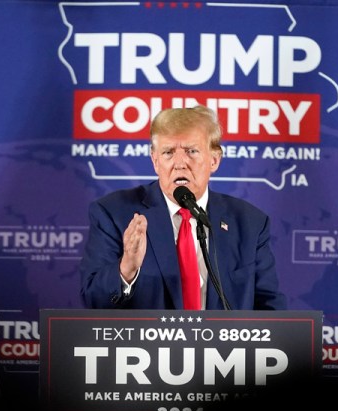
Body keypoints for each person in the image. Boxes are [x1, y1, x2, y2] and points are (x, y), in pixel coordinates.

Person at [79, 105, 287, 310]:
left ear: (214, 160)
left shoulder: (249, 223)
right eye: (168, 152)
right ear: (155, 160)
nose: (179, 163)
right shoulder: (114, 213)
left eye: (191, 151)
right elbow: (93, 301)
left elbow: (270, 309)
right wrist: (127, 268)